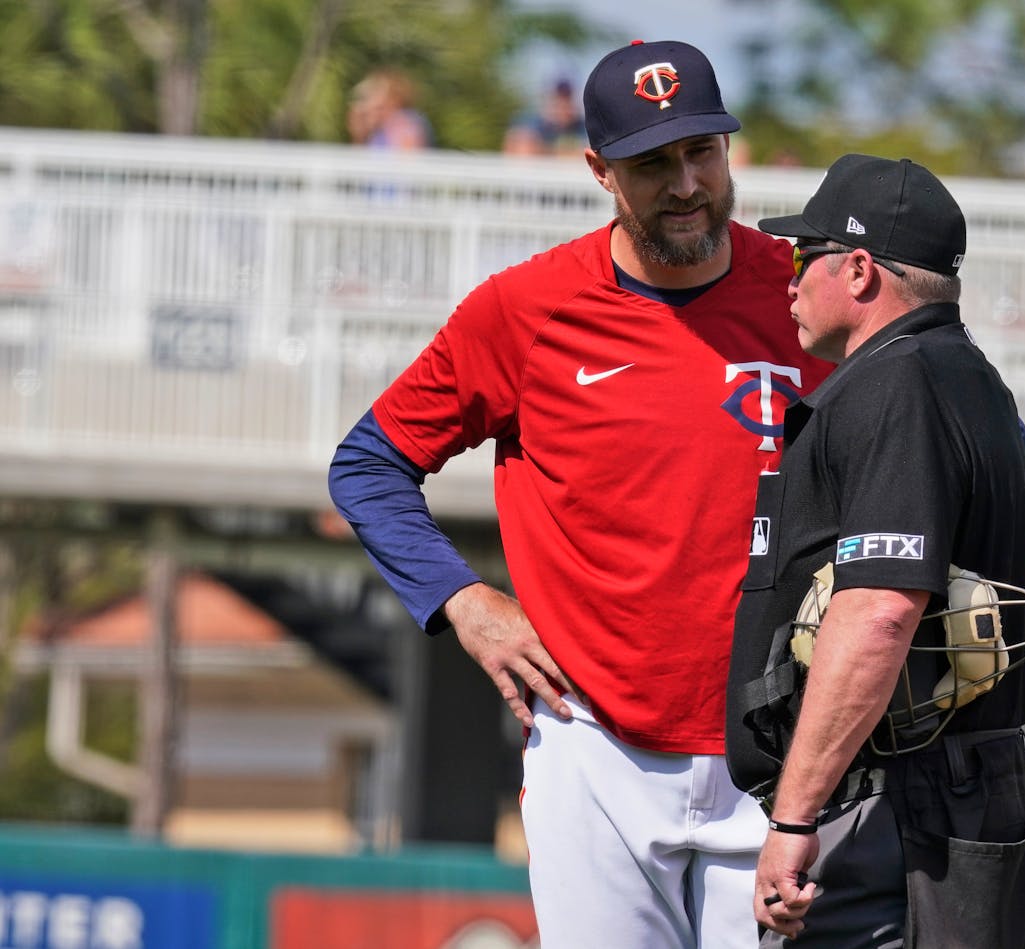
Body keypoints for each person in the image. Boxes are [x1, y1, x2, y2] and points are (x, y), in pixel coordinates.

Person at [328, 39, 831, 949]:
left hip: (782, 751)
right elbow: (368, 466)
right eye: (652, 163)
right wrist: (464, 602)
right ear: (598, 169)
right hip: (594, 743)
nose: (686, 185)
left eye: (703, 153)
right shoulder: (522, 311)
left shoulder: (806, 293)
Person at [726, 154, 1025, 947]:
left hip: (898, 813)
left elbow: (878, 612)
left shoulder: (896, 384)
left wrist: (797, 812)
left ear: (863, 269)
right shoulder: (966, 375)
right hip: (960, 793)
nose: (790, 280)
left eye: (807, 258)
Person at [347, 67, 433, 150]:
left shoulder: (404, 122)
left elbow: (409, 161)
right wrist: (359, 135)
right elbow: (361, 161)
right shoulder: (380, 129)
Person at [502, 78, 586, 157]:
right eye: (558, 100)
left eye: (566, 100)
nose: (562, 106)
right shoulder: (531, 122)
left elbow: (588, 153)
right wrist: (560, 152)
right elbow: (521, 148)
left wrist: (543, 149)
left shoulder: (584, 126)